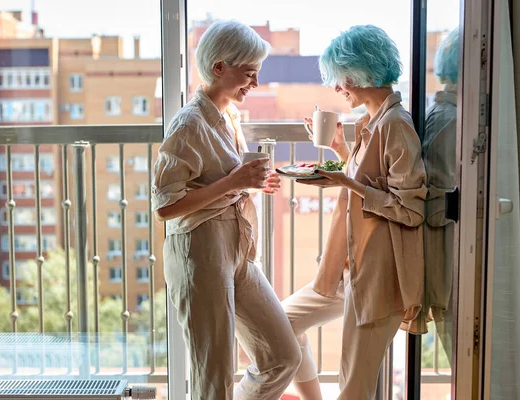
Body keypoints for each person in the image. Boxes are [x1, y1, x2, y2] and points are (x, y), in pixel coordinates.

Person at [151, 19, 301, 400]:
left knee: (283, 355)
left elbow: (223, 180)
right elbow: (166, 207)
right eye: (249, 73)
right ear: (220, 68)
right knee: (214, 378)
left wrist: (251, 183)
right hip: (199, 254)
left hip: (236, 251)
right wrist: (234, 183)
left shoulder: (229, 115)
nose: (254, 83)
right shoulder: (188, 124)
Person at [279, 25, 428, 400]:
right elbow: (372, 181)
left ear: (361, 73)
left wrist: (345, 183)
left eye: (339, 78)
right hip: (346, 272)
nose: (336, 88)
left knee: (352, 391)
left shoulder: (396, 125)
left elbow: (410, 209)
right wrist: (340, 151)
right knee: (280, 323)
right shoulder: (373, 122)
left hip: (377, 280)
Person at [422, 27, 460, 363]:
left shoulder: (452, 116)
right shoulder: (449, 120)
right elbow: (436, 204)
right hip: (447, 256)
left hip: (451, 252)